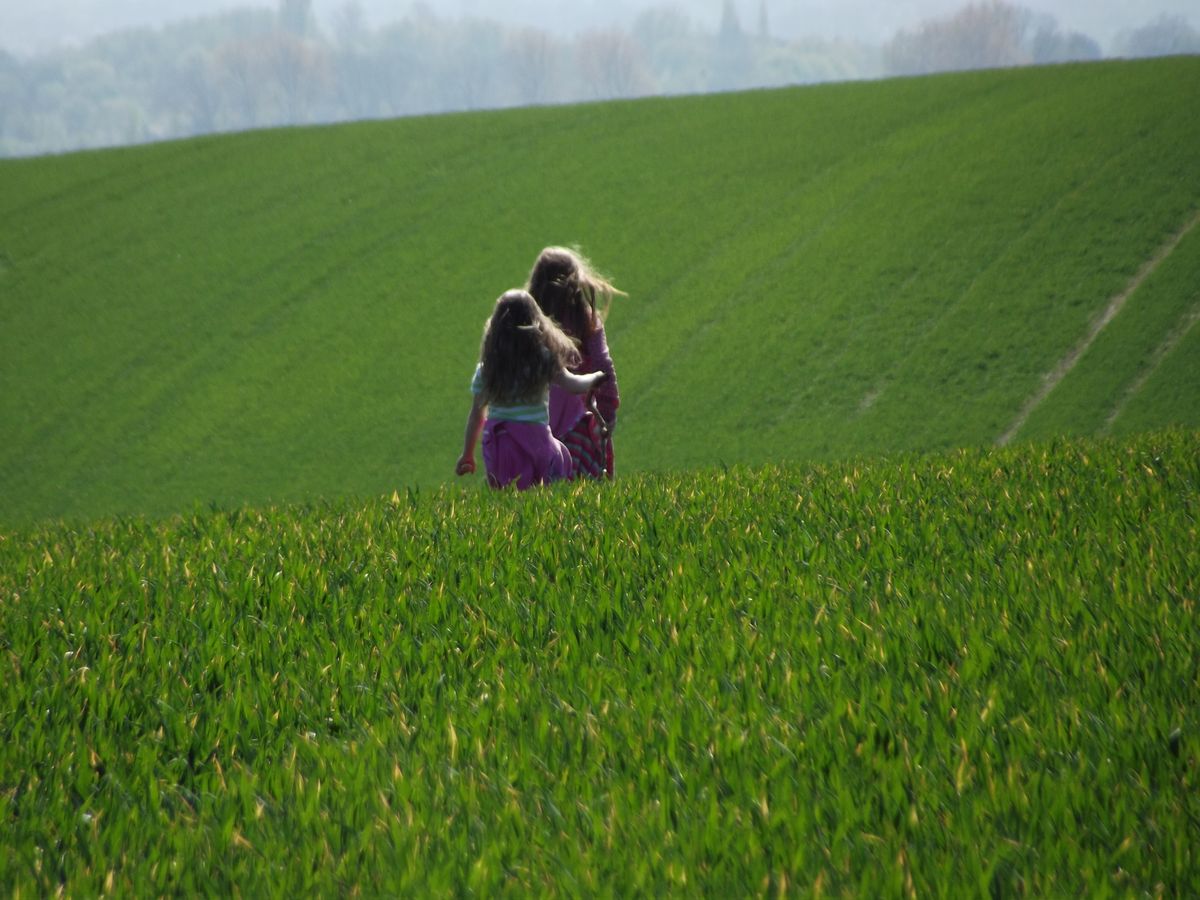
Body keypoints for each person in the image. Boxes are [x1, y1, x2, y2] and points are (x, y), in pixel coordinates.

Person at [456, 289, 607, 490]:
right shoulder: (542, 361)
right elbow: (573, 384)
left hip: (500, 446)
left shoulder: (488, 369)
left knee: (507, 497)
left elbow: (477, 413)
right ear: (537, 324)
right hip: (535, 441)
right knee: (555, 467)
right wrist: (595, 377)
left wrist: (467, 454)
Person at [526, 246, 623, 479]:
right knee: (583, 489)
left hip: (535, 425)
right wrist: (607, 414)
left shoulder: (527, 323)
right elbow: (603, 364)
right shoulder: (587, 320)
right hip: (578, 428)